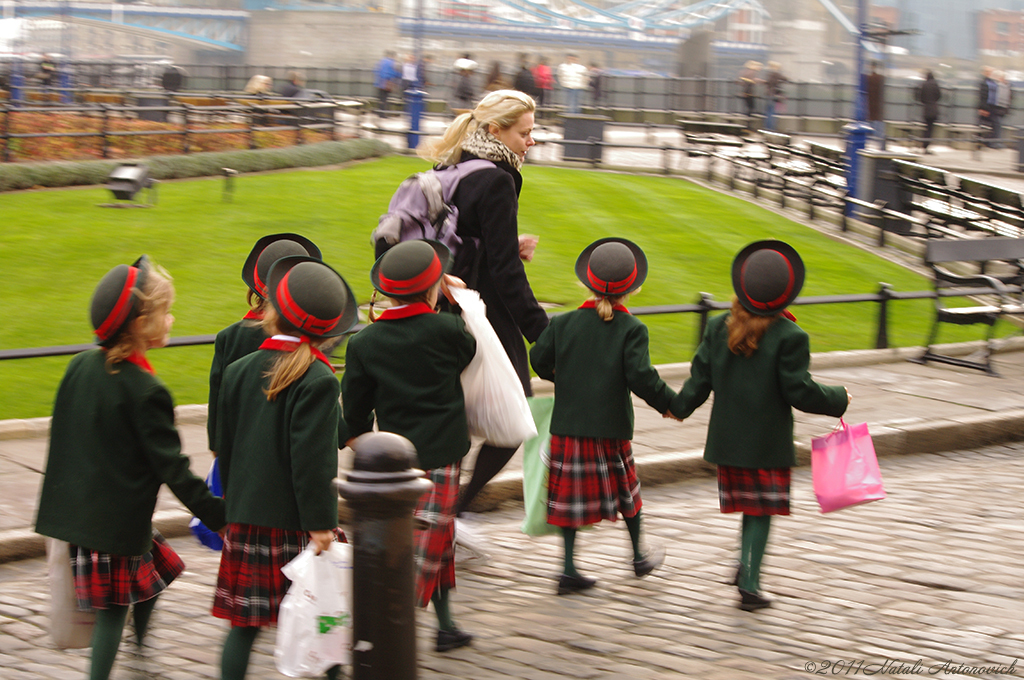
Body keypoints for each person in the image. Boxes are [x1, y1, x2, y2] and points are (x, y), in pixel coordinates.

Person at [35, 257, 227, 680]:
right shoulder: (146, 390)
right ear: (140, 324)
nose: (172, 319)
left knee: (160, 570)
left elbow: (63, 437)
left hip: (86, 513)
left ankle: (139, 653)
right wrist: (219, 515)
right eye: (165, 312)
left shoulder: (80, 365)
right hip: (112, 523)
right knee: (112, 610)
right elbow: (173, 468)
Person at [667, 241, 850, 612]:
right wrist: (838, 398)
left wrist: (678, 407)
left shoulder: (720, 326)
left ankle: (743, 565)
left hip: (728, 441)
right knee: (761, 511)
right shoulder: (790, 336)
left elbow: (699, 380)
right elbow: (799, 391)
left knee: (752, 509)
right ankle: (750, 582)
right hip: (766, 442)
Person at [213, 255, 357, 680]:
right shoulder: (318, 379)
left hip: (245, 517)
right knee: (327, 616)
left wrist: (232, 504)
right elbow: (312, 462)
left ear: (272, 309)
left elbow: (225, 444)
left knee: (243, 629)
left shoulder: (239, 370)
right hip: (297, 522)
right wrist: (321, 524)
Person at [417, 89, 549, 521]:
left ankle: (432, 507)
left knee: (449, 411)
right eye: (525, 133)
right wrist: (541, 331)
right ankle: (452, 511)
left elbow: (465, 241)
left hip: (440, 303)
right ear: (495, 130)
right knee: (515, 417)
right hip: (482, 312)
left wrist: (507, 244)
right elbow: (505, 274)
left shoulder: (454, 165)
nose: (531, 141)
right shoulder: (498, 178)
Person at [342, 240, 477, 652]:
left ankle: (447, 625)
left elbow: (355, 411)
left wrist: (357, 441)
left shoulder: (364, 342)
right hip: (445, 454)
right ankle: (383, 633)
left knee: (437, 538)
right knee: (423, 546)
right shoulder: (449, 328)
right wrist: (455, 304)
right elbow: (468, 354)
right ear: (434, 287)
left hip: (394, 460)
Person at [529, 238, 670, 595]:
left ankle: (569, 568)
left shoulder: (562, 323)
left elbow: (539, 360)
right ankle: (638, 555)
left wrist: (562, 377)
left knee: (568, 499)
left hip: (569, 425)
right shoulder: (632, 329)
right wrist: (671, 404)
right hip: (610, 427)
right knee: (628, 493)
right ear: (633, 288)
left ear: (585, 282)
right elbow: (641, 377)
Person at [207, 234, 321, 456]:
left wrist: (218, 449)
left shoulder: (229, 337)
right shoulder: (310, 338)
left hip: (240, 451)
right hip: (291, 451)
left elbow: (219, 409)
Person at [916, 70, 941, 153]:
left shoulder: (924, 84)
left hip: (926, 109)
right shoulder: (935, 84)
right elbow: (939, 96)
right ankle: (926, 146)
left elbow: (920, 97)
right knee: (930, 129)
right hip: (934, 109)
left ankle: (924, 145)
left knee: (926, 128)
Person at [763, 61, 787, 131]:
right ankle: (771, 128)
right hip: (774, 94)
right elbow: (785, 79)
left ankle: (767, 127)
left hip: (768, 94)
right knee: (772, 111)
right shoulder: (776, 74)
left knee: (768, 111)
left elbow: (767, 82)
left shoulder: (769, 74)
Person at [977, 65, 998, 147]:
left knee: (992, 125)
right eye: (988, 71)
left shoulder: (993, 82)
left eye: (990, 72)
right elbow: (982, 96)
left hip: (992, 107)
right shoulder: (983, 82)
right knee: (982, 125)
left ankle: (988, 142)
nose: (989, 73)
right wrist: (983, 108)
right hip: (985, 107)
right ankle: (980, 142)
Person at [866, 61, 885, 148]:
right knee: (878, 127)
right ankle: (881, 145)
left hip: (869, 107)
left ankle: (868, 145)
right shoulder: (880, 78)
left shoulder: (868, 78)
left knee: (870, 124)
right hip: (878, 108)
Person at [738, 60, 761, 129]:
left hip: (746, 92)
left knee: (749, 108)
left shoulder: (745, 71)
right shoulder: (752, 72)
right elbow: (750, 82)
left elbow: (742, 81)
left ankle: (747, 125)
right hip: (749, 93)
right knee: (751, 108)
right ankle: (748, 126)